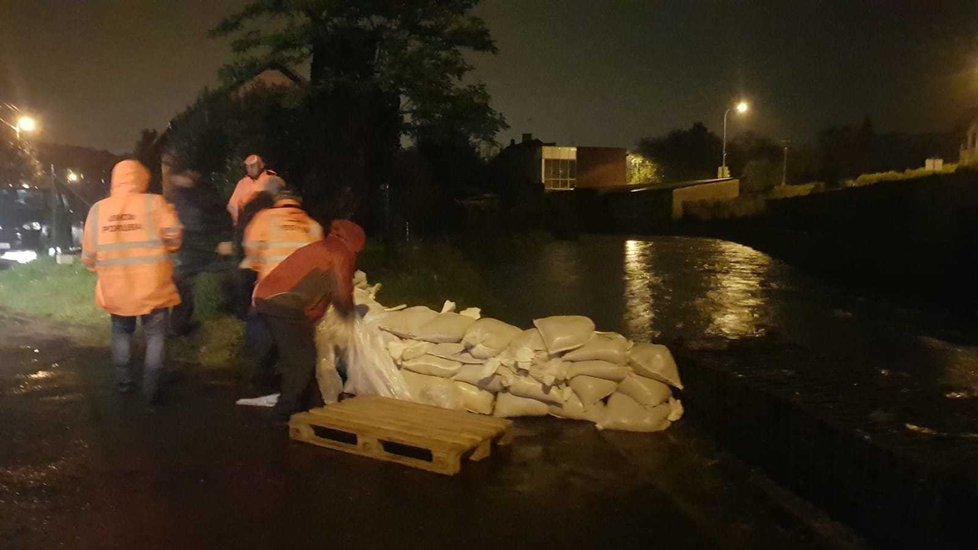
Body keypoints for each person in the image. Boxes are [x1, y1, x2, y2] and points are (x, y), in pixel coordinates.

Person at [81, 160, 183, 404]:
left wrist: (100, 268)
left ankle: (124, 382)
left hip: (116, 286)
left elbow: (89, 255)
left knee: (121, 332)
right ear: (142, 179)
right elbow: (174, 236)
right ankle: (152, 389)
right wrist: (165, 248)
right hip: (153, 284)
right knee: (156, 336)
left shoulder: (98, 209)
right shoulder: (155, 203)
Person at [252, 218, 366, 420]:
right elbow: (341, 290)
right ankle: (284, 413)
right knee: (300, 360)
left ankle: (315, 406)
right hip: (283, 303)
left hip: (272, 297)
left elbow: (321, 288)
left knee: (304, 355)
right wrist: (350, 315)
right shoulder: (340, 252)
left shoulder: (324, 246)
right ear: (356, 242)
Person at [242, 186, 324, 393]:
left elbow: (251, 252)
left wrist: (259, 268)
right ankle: (287, 385)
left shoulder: (264, 219)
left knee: (261, 328)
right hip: (300, 295)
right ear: (298, 203)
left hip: (269, 293)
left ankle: (261, 379)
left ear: (277, 201)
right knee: (297, 344)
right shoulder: (312, 225)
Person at [166, 163, 234, 336]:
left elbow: (217, 215)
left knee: (226, 275)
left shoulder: (192, 194)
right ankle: (179, 327)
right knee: (185, 286)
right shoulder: (180, 196)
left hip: (198, 247)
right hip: (194, 248)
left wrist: (222, 239)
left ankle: (180, 326)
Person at [227, 154, 282, 227]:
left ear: (261, 165)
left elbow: (282, 202)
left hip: (269, 224)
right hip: (248, 224)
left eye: (252, 166)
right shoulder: (242, 183)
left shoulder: (273, 180)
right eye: (247, 166)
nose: (249, 169)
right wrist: (238, 223)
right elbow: (232, 205)